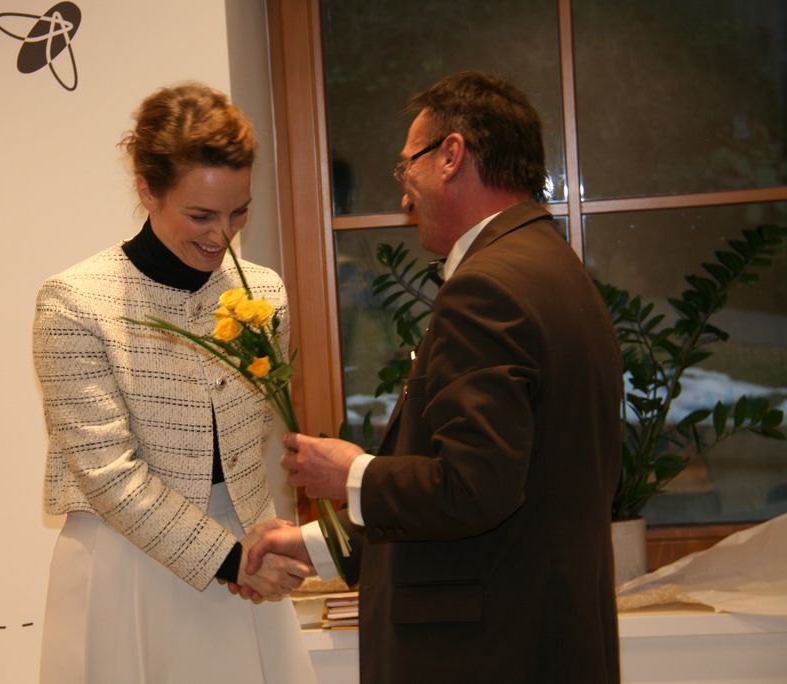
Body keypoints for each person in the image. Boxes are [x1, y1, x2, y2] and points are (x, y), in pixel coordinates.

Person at [248, 71, 624, 683]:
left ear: (451, 155)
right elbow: (518, 485)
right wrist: (319, 546)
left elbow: (474, 489)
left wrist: (352, 473)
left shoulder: (487, 287)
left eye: (407, 167)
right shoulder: (553, 267)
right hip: (542, 638)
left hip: (485, 653)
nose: (404, 196)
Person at [33, 83, 317, 684]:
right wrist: (231, 560)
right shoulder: (75, 302)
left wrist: (260, 546)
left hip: (246, 562)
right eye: (201, 215)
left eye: (239, 211)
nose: (223, 235)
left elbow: (248, 449)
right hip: (127, 566)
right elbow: (107, 473)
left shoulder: (264, 292)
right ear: (147, 191)